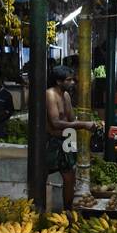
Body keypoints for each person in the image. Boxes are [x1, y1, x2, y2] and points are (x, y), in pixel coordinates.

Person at [46, 67, 99, 209]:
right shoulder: (50, 95)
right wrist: (83, 124)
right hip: (51, 141)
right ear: (58, 81)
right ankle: (42, 208)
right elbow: (55, 123)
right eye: (68, 80)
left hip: (66, 139)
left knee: (70, 177)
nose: (72, 82)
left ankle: (67, 210)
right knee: (44, 174)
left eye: (72, 79)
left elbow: (70, 119)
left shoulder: (66, 96)